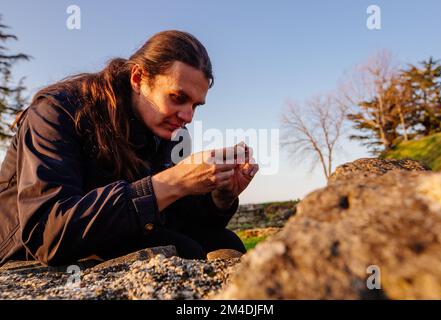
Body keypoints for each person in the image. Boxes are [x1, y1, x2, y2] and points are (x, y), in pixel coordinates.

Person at [0, 30, 258, 266]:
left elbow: (176, 219)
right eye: (178, 98)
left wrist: (220, 198)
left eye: (195, 105)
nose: (188, 116)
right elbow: (47, 235)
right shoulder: (57, 112)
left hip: (106, 234)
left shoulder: (170, 132)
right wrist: (171, 183)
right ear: (138, 78)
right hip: (26, 253)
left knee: (226, 242)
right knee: (185, 250)